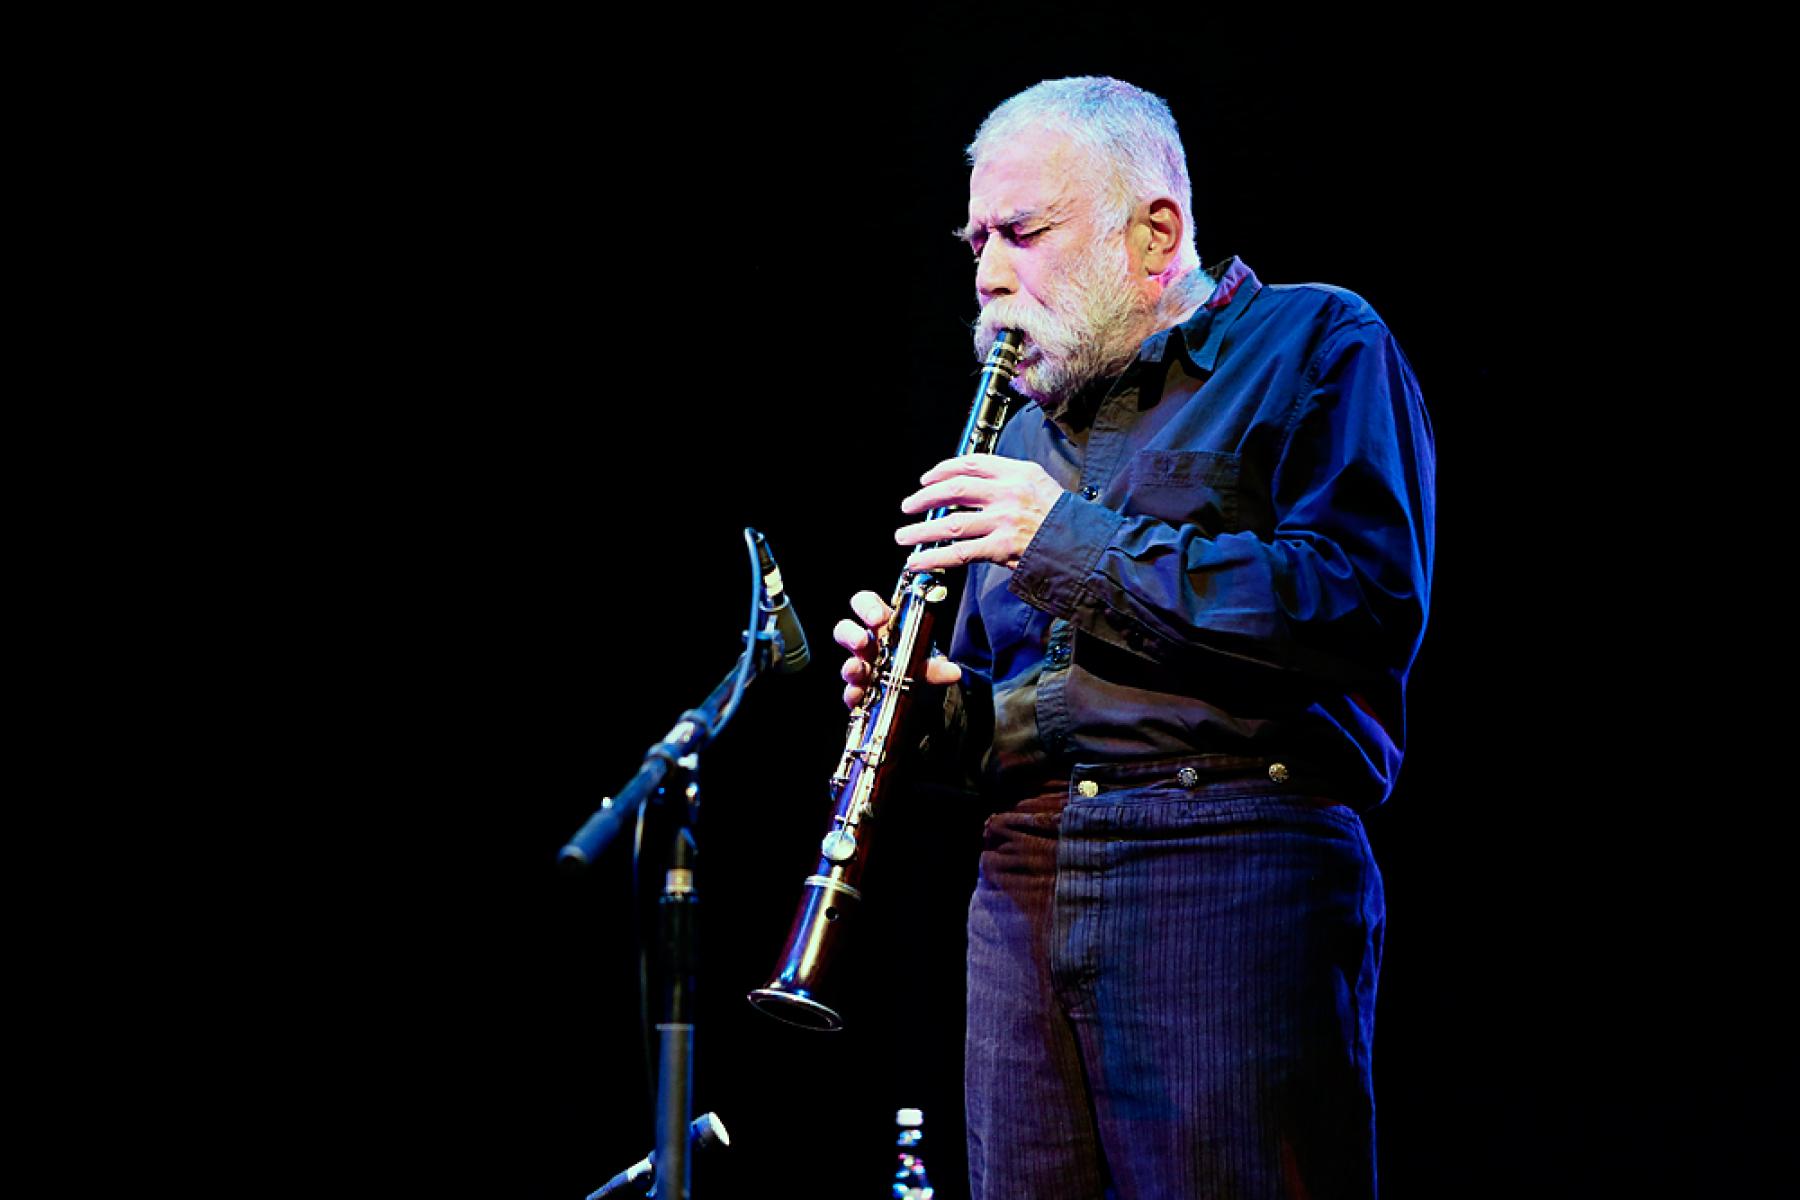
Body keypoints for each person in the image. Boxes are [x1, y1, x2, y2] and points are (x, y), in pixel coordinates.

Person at [835, 77, 1434, 1200]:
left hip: (1230, 858)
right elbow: (1025, 713)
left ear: (1154, 233)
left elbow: (1358, 606)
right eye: (975, 243)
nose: (988, 275)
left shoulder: (1314, 342)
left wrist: (1063, 540)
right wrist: (924, 706)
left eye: (1023, 233)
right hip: (1023, 878)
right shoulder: (1025, 430)